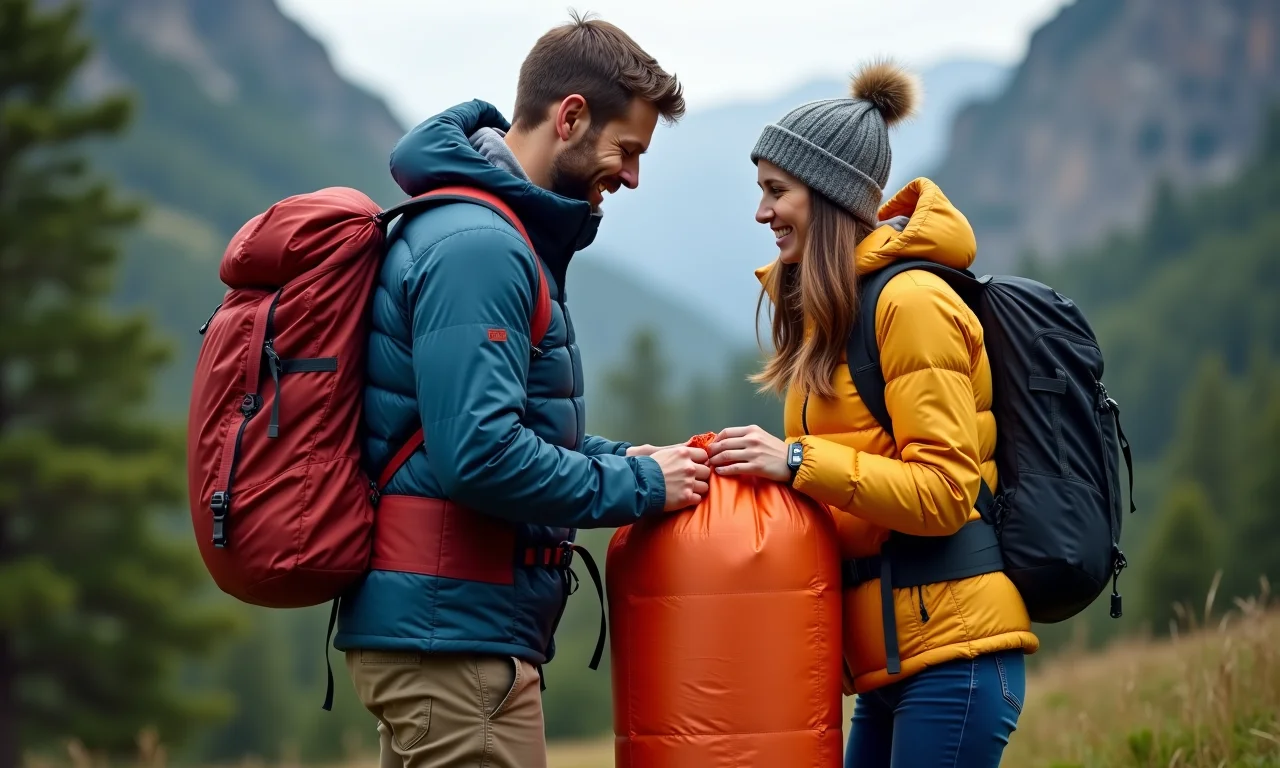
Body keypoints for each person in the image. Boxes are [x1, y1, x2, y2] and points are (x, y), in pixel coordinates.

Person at [332, 14, 709, 768]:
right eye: (626, 150)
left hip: (441, 635)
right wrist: (637, 483)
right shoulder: (482, 248)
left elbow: (465, 431)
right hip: (455, 644)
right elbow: (479, 456)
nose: (631, 177)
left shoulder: (481, 232)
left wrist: (622, 456)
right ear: (570, 117)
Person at [706, 61, 1039, 766]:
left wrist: (795, 461)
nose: (761, 213)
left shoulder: (910, 303)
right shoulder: (834, 318)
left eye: (776, 191)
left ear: (825, 196)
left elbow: (946, 493)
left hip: (954, 656)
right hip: (889, 663)